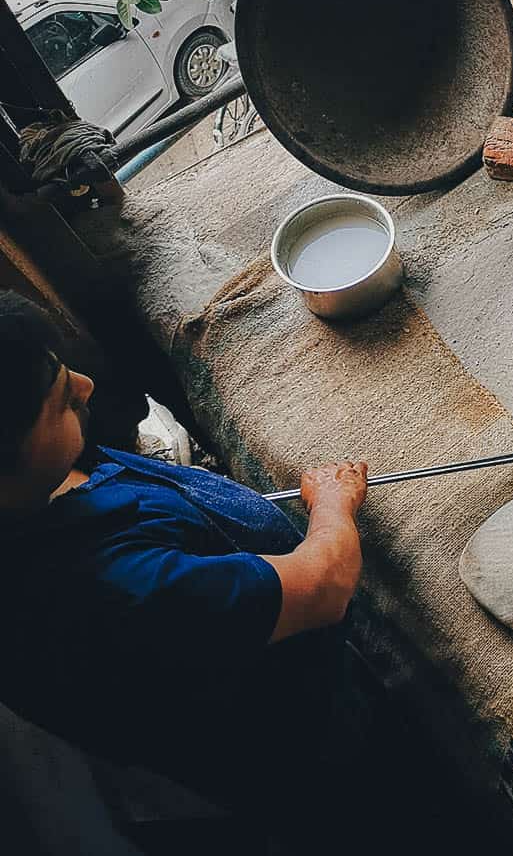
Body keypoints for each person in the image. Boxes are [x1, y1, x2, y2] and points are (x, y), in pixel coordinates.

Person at [0, 290, 375, 842]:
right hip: (280, 734)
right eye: (59, 401)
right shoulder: (116, 595)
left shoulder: (30, 490)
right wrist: (332, 507)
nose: (85, 385)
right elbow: (325, 584)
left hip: (197, 661)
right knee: (345, 784)